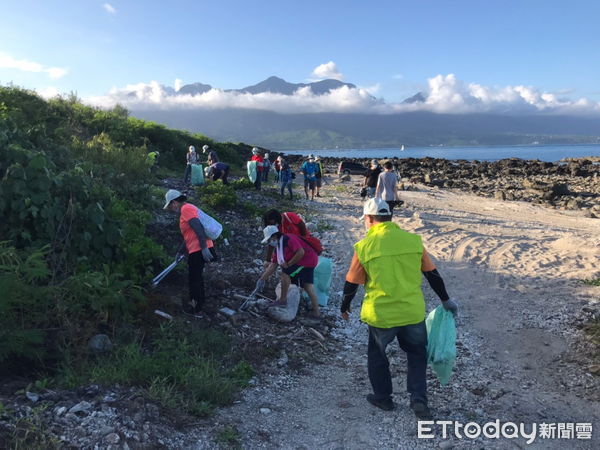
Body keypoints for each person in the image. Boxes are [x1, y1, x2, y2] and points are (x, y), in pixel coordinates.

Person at [341, 198, 458, 418]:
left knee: (378, 356)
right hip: (411, 312)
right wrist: (445, 300)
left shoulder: (364, 246)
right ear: (389, 217)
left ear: (369, 219)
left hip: (381, 315)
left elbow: (351, 284)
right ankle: (418, 400)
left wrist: (344, 306)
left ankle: (383, 399)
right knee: (416, 355)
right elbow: (432, 274)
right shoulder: (413, 241)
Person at [163, 189, 217, 318]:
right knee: (196, 278)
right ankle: (199, 305)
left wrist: (203, 248)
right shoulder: (187, 209)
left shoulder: (186, 209)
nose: (171, 208)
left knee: (194, 280)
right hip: (197, 249)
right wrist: (180, 251)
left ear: (175, 202)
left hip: (199, 250)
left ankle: (196, 309)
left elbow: (198, 227)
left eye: (170, 205)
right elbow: (188, 236)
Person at [255, 225, 320, 318]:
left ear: (275, 235)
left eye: (270, 239)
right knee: (308, 286)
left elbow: (301, 252)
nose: (269, 242)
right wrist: (262, 279)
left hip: (306, 259)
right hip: (310, 259)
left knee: (285, 273)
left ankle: (282, 300)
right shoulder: (278, 248)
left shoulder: (288, 238)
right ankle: (316, 312)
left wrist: (289, 264)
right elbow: (273, 266)